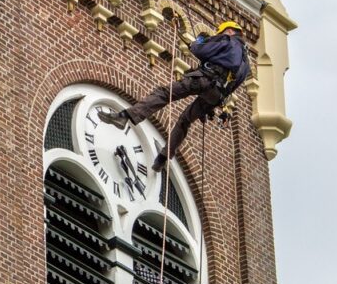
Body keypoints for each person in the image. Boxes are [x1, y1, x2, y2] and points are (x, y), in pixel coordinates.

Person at [98, 20, 250, 171]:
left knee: (164, 93)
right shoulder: (246, 63)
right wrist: (210, 105)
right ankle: (163, 158)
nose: (221, 35)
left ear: (229, 31)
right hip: (217, 95)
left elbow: (202, 51)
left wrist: (196, 44)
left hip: (204, 80)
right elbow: (233, 85)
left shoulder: (228, 40)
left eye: (222, 32)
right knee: (185, 120)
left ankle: (125, 117)